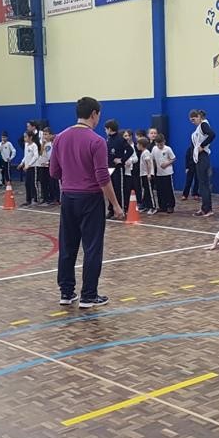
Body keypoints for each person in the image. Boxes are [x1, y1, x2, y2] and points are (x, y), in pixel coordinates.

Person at [51, 97, 125, 308]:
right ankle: (89, 295)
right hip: (90, 198)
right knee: (92, 247)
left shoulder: (60, 138)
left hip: (68, 197)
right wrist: (116, 205)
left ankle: (66, 292)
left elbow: (54, 171)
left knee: (67, 245)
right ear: (94, 114)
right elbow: (102, 177)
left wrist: (71, 176)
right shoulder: (97, 141)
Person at [104, 119, 133, 219]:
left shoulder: (120, 139)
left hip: (117, 168)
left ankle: (121, 210)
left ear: (109, 129)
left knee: (118, 189)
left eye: (105, 129)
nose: (105, 131)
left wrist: (122, 160)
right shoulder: (108, 139)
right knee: (110, 189)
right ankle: (111, 210)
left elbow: (130, 150)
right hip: (109, 167)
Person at [189, 109, 216, 217]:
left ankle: (207, 209)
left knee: (203, 184)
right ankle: (206, 208)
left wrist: (202, 145)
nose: (192, 122)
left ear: (199, 117)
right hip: (199, 157)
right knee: (203, 184)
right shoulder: (200, 127)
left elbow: (212, 134)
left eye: (193, 119)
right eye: (191, 120)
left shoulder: (203, 125)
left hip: (203, 156)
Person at [152, 134, 176, 213]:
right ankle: (162, 206)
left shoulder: (168, 149)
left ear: (164, 142)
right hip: (159, 173)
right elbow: (153, 159)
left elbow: (173, 158)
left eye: (161, 144)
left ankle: (170, 205)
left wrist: (167, 163)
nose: (159, 146)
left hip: (167, 173)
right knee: (160, 190)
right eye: (158, 144)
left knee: (168, 189)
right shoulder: (154, 149)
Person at [19, 131, 40, 207]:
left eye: (26, 137)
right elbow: (26, 156)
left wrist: (29, 165)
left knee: (33, 183)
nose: (24, 138)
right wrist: (22, 163)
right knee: (27, 183)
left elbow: (36, 156)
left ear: (30, 137)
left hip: (33, 167)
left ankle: (35, 199)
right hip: (27, 167)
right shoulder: (26, 145)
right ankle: (28, 200)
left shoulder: (34, 146)